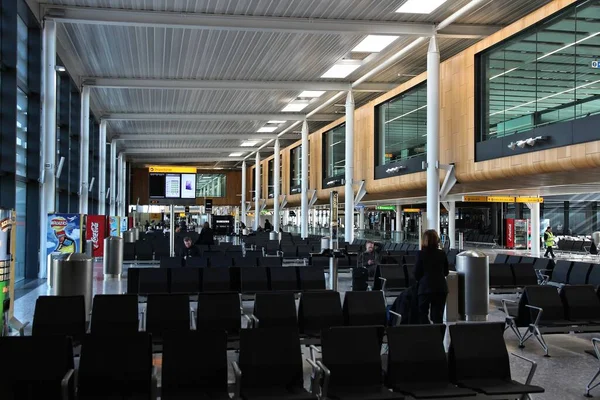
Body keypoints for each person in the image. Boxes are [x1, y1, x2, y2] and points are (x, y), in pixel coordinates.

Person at [414, 230, 449, 324]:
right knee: (438, 316)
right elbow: (446, 272)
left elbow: (417, 273)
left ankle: (427, 335)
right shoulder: (442, 253)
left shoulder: (420, 254)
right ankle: (439, 336)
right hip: (441, 288)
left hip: (425, 287)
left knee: (422, 313)